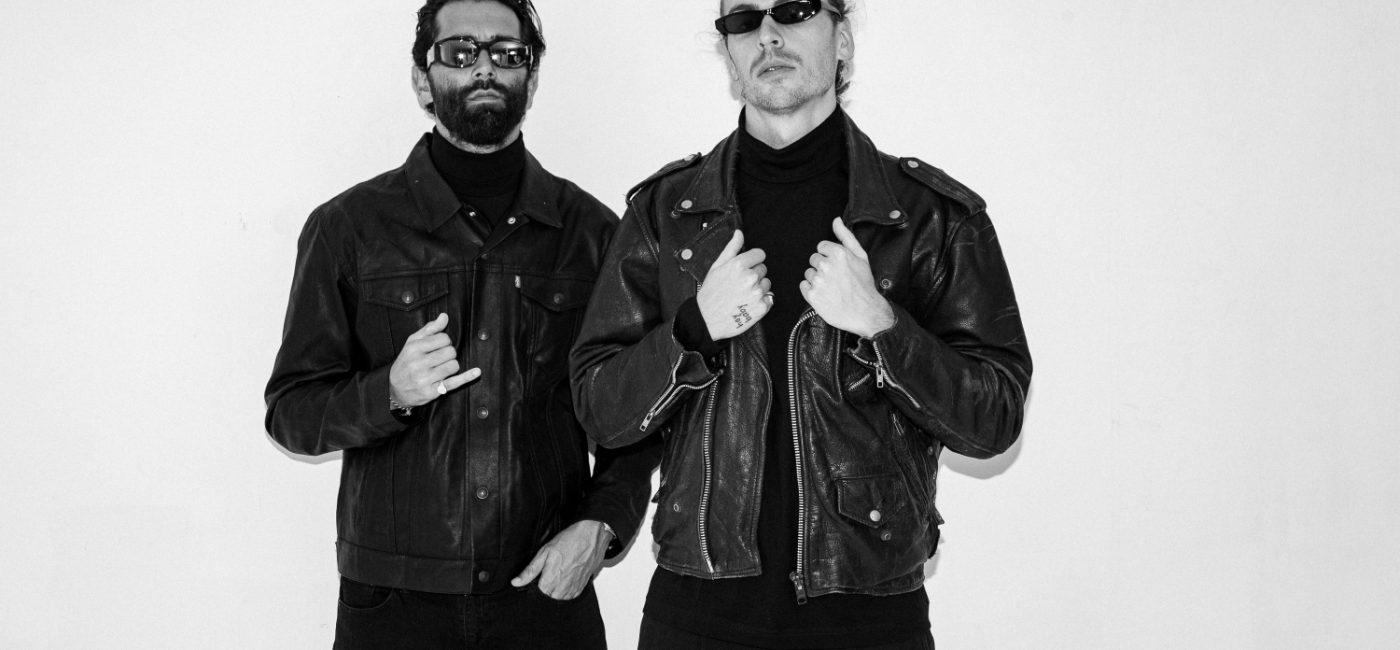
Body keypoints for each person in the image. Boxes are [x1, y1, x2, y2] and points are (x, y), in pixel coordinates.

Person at [569, 1, 1032, 647]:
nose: (768, 35)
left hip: (870, 618)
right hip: (696, 615)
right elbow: (601, 410)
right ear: (729, 54)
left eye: (794, 10)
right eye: (743, 20)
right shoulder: (666, 214)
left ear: (842, 39)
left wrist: (882, 325)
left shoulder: (929, 217)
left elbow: (994, 420)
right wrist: (693, 330)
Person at [264, 1, 658, 647]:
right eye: (460, 51)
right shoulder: (349, 228)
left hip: (544, 594)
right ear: (424, 79)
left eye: (507, 53)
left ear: (531, 76)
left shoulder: (592, 234)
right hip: (394, 603)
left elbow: (635, 416)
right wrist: (389, 392)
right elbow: (291, 413)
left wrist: (602, 526)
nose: (485, 68)